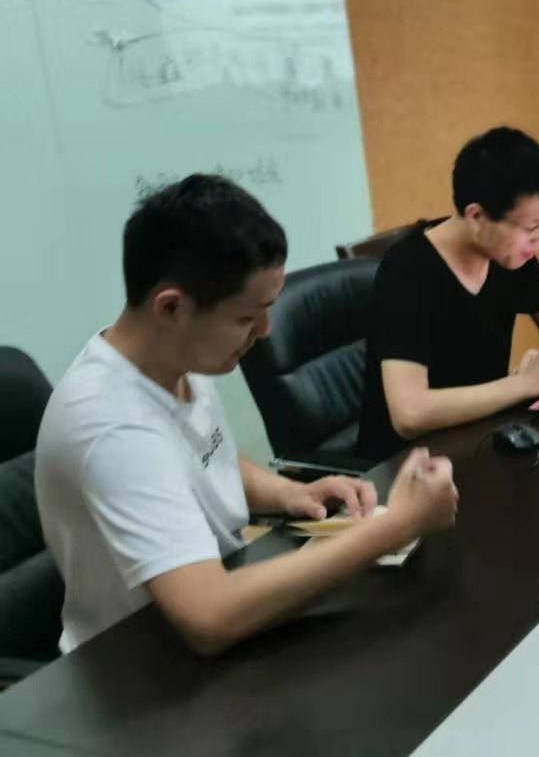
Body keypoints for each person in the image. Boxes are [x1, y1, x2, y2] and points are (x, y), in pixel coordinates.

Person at [36, 175, 459, 655]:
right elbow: (210, 617)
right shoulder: (110, 424)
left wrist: (288, 493)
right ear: (171, 308)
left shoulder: (168, 354)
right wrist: (396, 526)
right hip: (138, 664)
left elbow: (200, 455)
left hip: (213, 605)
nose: (264, 331)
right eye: (246, 317)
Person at [357, 127, 539, 463]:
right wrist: (528, 383)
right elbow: (409, 413)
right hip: (406, 466)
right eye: (532, 228)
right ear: (477, 217)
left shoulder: (509, 256)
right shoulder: (407, 271)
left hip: (480, 438)